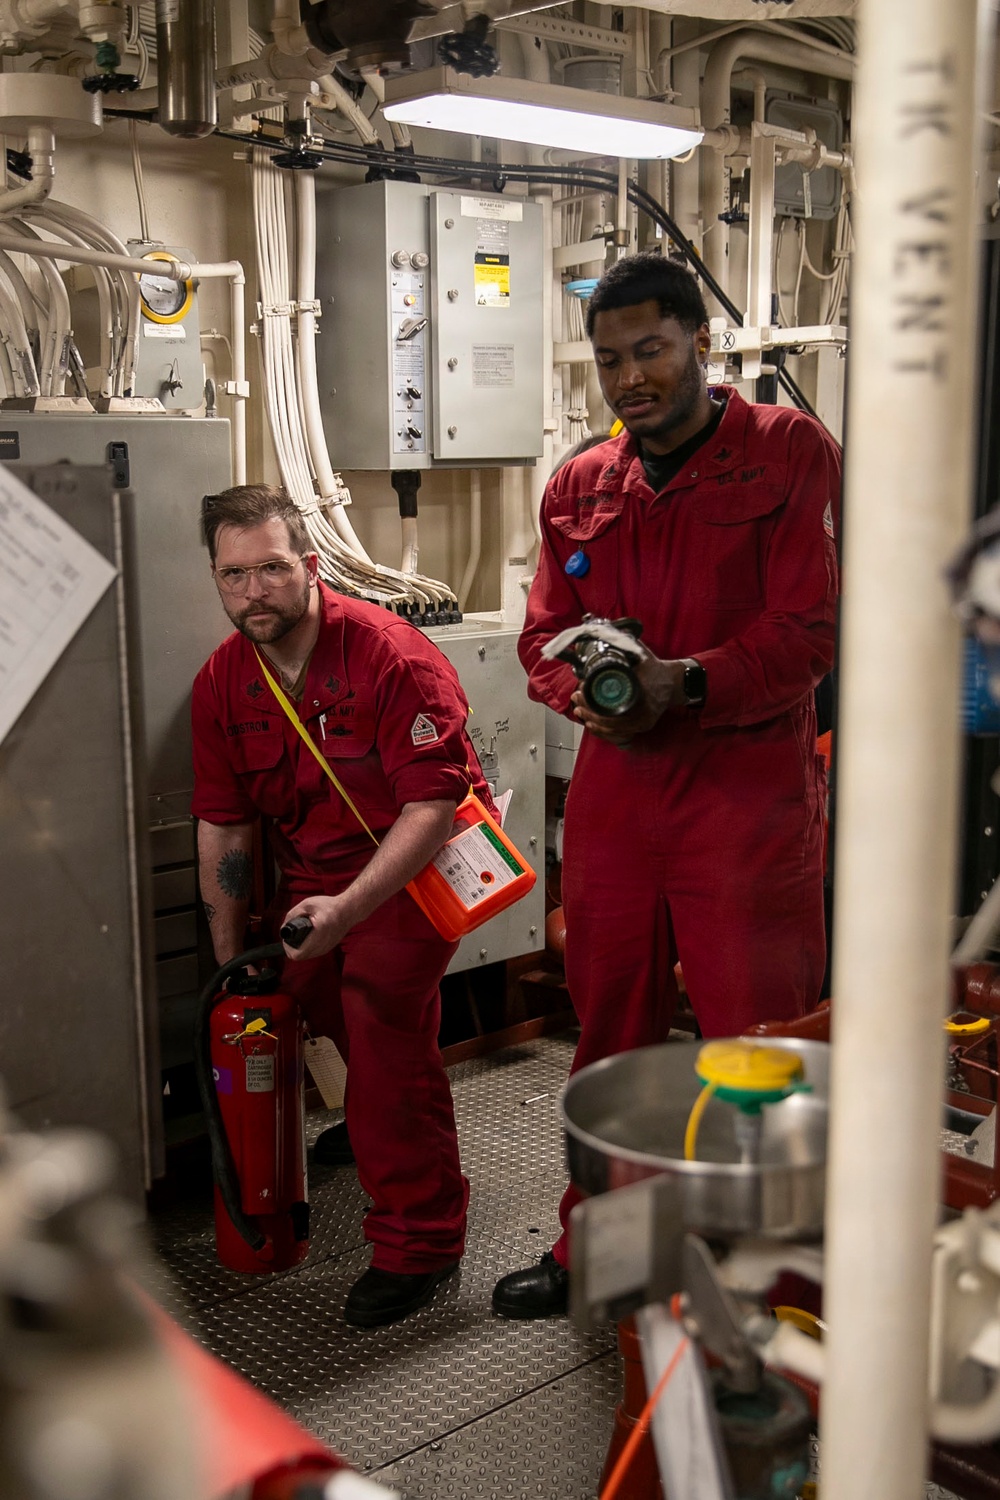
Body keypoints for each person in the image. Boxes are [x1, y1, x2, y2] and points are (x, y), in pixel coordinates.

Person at [492, 252, 840, 1319]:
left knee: (760, 1046)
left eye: (649, 350)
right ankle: (605, 1249)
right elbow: (542, 634)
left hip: (743, 787)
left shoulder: (787, 453)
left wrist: (685, 682)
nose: (630, 378)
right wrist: (584, 693)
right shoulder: (579, 483)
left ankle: (772, 1284)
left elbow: (809, 631)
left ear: (699, 341)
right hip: (618, 790)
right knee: (608, 1032)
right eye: (609, 361)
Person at [191, 483, 495, 1328]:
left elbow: (433, 806)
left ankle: (419, 1243)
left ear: (311, 567)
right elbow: (223, 823)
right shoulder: (224, 681)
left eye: (273, 570)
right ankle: (375, 1126)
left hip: (408, 865)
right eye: (234, 574)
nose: (255, 592)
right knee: (302, 1001)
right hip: (307, 876)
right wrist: (228, 962)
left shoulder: (388, 654)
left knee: (380, 1021)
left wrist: (349, 912)